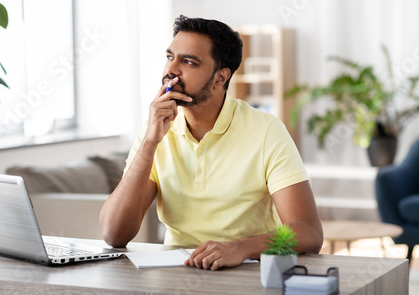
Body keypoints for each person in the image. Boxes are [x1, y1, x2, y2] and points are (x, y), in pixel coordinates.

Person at [99, 15, 323, 271]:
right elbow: (113, 234)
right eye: (170, 57)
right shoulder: (155, 133)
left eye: (189, 62)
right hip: (176, 274)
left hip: (246, 272)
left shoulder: (267, 131)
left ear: (220, 78)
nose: (171, 70)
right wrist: (150, 142)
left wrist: (241, 247)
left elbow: (308, 232)